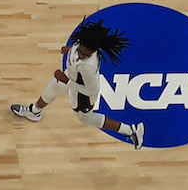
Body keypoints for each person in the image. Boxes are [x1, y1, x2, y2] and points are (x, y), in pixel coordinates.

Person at [10, 18, 145, 148]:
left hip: (83, 95)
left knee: (86, 119)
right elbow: (78, 49)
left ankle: (130, 130)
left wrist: (66, 81)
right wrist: (70, 50)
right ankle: (34, 111)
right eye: (79, 51)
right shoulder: (84, 42)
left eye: (84, 55)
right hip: (71, 77)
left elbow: (91, 91)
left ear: (92, 53)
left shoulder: (88, 68)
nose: (80, 55)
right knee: (51, 89)